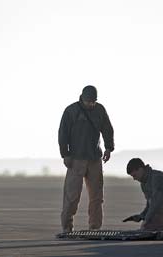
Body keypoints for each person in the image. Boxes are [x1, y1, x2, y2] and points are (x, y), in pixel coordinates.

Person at [58, 85, 114, 233]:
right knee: (72, 195)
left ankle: (95, 227)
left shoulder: (100, 110)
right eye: (88, 101)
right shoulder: (71, 111)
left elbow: (107, 129)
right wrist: (65, 154)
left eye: (93, 101)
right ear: (82, 98)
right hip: (76, 159)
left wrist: (109, 148)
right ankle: (67, 227)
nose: (91, 104)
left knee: (96, 196)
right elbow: (63, 134)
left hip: (95, 158)